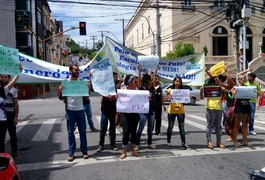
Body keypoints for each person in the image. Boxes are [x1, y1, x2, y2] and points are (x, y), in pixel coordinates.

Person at [58, 64, 88, 162]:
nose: (77, 71)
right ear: (70, 70)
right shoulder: (66, 83)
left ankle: (84, 151)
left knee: (83, 131)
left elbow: (87, 95)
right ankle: (71, 152)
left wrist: (88, 87)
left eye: (78, 70)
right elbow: (60, 97)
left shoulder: (81, 83)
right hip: (70, 110)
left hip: (80, 110)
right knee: (71, 133)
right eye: (75, 70)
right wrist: (60, 90)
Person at [96, 72, 120, 152]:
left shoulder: (116, 87)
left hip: (113, 110)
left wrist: (115, 98)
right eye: (114, 77)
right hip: (105, 110)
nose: (116, 79)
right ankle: (101, 145)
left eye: (116, 77)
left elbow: (118, 97)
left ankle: (112, 145)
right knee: (103, 128)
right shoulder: (105, 86)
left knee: (112, 128)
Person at [200, 76, 225, 149]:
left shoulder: (221, 88)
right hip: (210, 108)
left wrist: (224, 90)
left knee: (218, 126)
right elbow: (202, 97)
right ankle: (209, 142)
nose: (219, 81)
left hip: (219, 108)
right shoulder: (208, 88)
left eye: (219, 80)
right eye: (217, 80)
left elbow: (226, 96)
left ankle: (219, 142)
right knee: (209, 125)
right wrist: (201, 90)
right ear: (214, 81)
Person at [0, 73, 21, 156]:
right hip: (1, 118)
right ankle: (2, 155)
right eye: (1, 77)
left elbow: (16, 104)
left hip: (9, 115)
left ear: (8, 78)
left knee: (13, 136)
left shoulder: (9, 89)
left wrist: (16, 117)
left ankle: (15, 153)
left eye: (5, 77)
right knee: (1, 138)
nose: (3, 78)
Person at [119, 74, 140, 159]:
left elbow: (142, 99)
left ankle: (133, 149)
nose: (136, 82)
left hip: (135, 114)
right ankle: (124, 151)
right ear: (129, 82)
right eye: (134, 81)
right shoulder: (123, 90)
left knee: (133, 132)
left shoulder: (137, 90)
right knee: (126, 132)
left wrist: (147, 97)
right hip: (125, 114)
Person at [166, 77, 188, 150]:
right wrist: (170, 97)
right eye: (176, 81)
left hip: (181, 111)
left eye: (179, 81)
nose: (178, 83)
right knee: (170, 127)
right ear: (174, 82)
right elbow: (168, 98)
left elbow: (186, 101)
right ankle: (168, 141)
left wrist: (188, 97)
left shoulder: (183, 91)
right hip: (171, 111)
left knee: (182, 128)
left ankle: (183, 142)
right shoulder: (170, 90)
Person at [135, 73, 156, 150]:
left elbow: (154, 80)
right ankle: (137, 144)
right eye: (149, 83)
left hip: (151, 112)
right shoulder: (142, 89)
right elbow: (140, 80)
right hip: (143, 112)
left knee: (150, 129)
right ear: (146, 83)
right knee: (140, 128)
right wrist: (139, 71)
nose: (151, 84)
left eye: (151, 83)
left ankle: (149, 143)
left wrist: (155, 70)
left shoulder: (152, 89)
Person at [230, 75, 251, 148]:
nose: (244, 79)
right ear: (239, 79)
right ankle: (235, 141)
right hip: (239, 108)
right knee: (237, 125)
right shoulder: (236, 87)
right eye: (242, 78)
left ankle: (245, 141)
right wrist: (234, 93)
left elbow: (252, 96)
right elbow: (232, 97)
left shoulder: (248, 87)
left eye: (245, 78)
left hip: (246, 107)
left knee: (245, 125)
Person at [153, 71, 166, 136]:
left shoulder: (160, 87)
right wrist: (156, 71)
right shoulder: (151, 86)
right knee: (152, 119)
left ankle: (158, 131)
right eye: (156, 78)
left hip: (158, 105)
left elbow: (162, 97)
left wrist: (163, 105)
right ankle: (150, 130)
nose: (157, 80)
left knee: (158, 119)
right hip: (152, 105)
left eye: (158, 78)